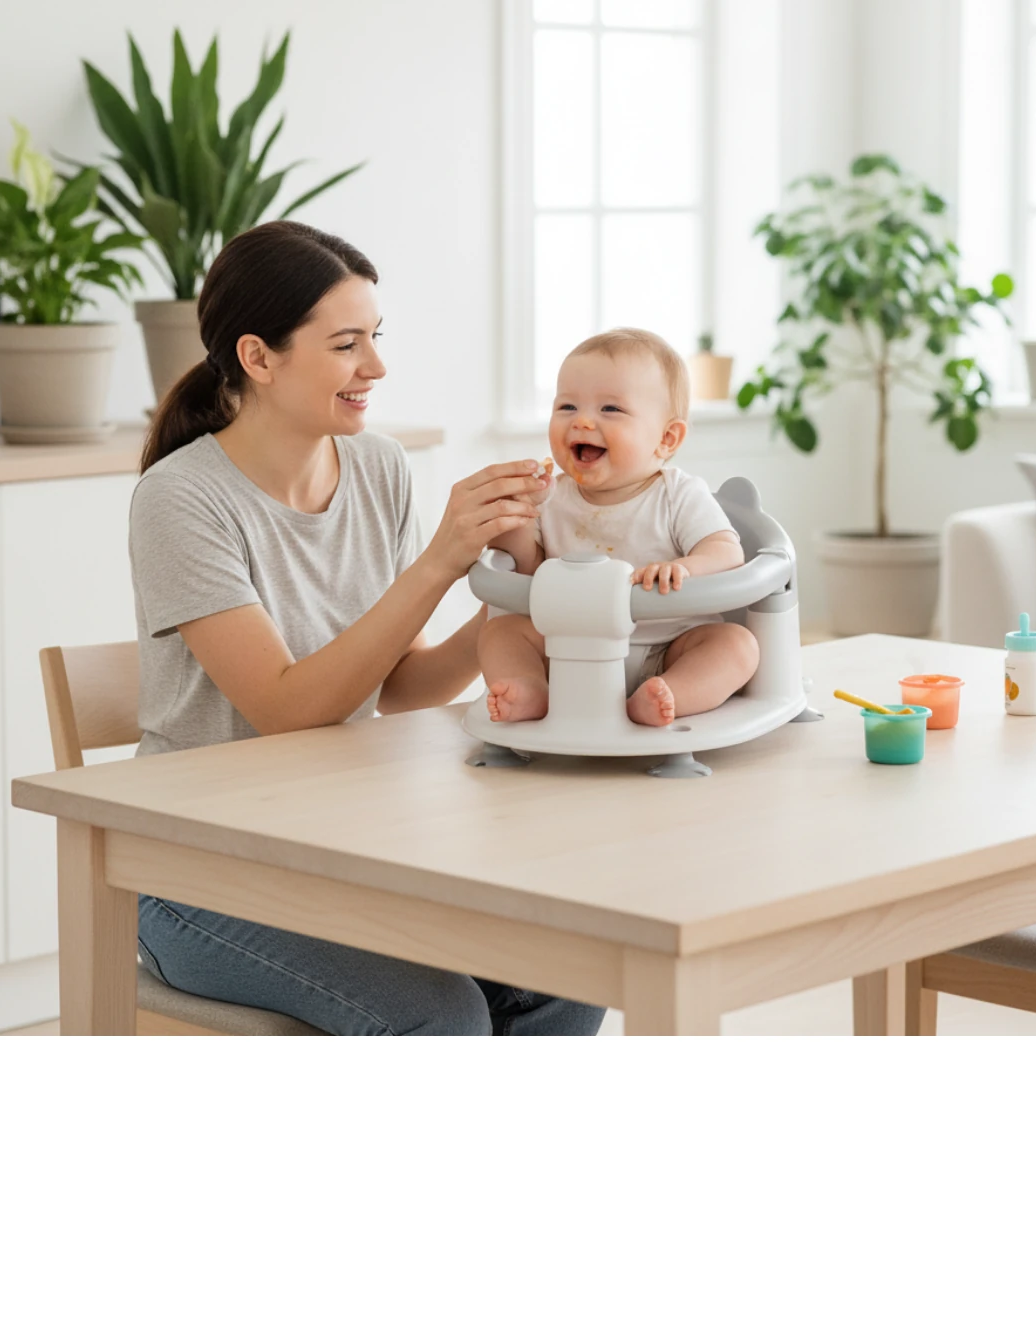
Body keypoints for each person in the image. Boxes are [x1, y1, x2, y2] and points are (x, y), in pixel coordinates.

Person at [129, 220, 604, 1036]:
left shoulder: (377, 466)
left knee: (569, 970)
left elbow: (401, 686)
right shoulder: (181, 500)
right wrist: (438, 562)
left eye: (375, 338)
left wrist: (512, 590)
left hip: (335, 842)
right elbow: (285, 709)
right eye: (347, 344)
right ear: (258, 357)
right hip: (197, 874)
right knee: (444, 1018)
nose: (376, 367)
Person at [480, 328, 759, 730]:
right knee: (500, 632)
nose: (583, 421)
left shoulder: (678, 494)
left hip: (669, 646)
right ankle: (532, 688)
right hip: (568, 650)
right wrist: (512, 521)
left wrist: (685, 568)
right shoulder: (552, 497)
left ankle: (671, 694)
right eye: (567, 407)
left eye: (610, 409)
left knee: (737, 646)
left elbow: (728, 552)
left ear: (666, 438)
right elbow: (528, 569)